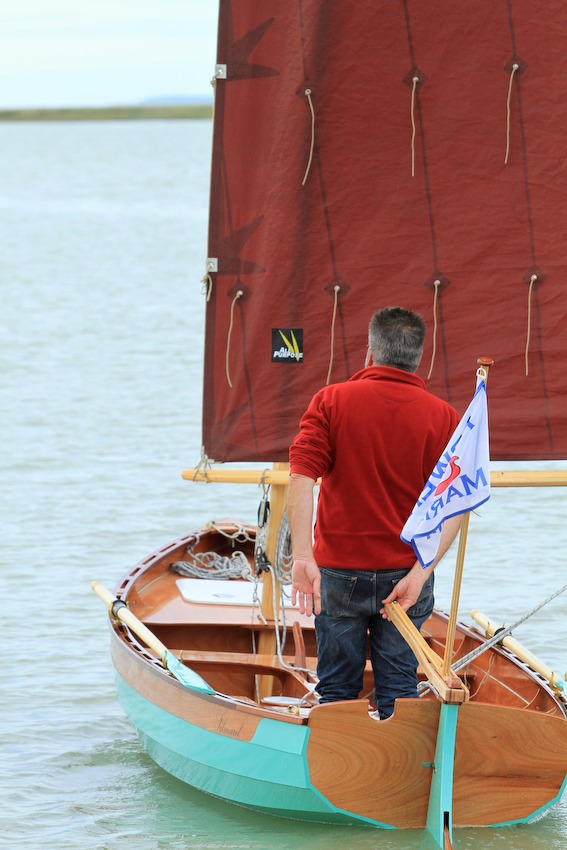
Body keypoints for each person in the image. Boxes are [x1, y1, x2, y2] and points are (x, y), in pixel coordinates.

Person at [288, 306, 462, 719]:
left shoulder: (331, 401)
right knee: (401, 692)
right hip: (407, 576)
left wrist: (301, 556)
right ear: (420, 357)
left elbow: (300, 479)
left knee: (337, 692)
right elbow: (456, 506)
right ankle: (400, 776)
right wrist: (420, 573)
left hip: (339, 572)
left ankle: (340, 774)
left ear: (370, 353)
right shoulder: (444, 417)